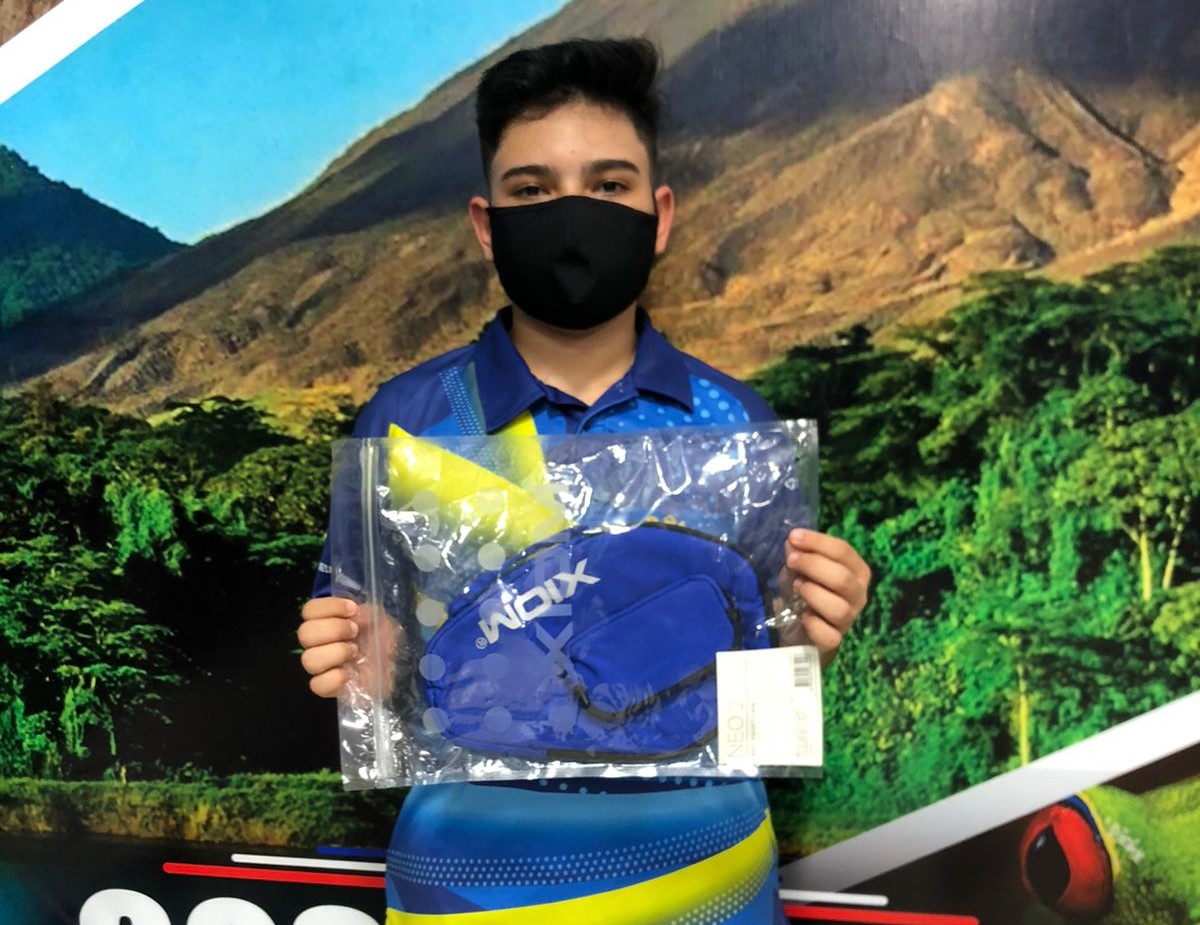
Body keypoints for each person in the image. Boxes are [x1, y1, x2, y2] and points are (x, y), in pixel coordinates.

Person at [298, 37, 871, 923]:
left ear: (659, 214)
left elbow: (759, 700)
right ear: (488, 225)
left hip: (706, 876)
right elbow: (372, 669)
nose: (572, 216)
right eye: (533, 191)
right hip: (470, 886)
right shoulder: (407, 421)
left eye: (608, 185)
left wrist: (808, 646)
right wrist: (359, 666)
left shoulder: (738, 425)